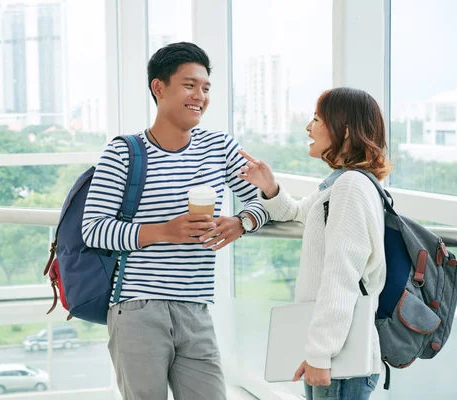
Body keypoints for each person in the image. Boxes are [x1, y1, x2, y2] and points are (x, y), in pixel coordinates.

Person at [81, 42, 270, 400]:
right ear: (159, 87)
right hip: (137, 309)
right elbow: (94, 229)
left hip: (196, 309)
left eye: (205, 87)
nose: (199, 95)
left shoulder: (220, 148)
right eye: (189, 85)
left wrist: (241, 222)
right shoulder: (123, 151)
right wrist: (164, 231)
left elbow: (263, 202)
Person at [238, 87, 390, 400]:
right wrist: (268, 185)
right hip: (335, 355)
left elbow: (341, 278)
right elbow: (294, 213)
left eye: (317, 119)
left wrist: (320, 355)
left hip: (338, 361)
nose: (309, 127)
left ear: (344, 130)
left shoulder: (350, 188)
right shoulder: (341, 185)